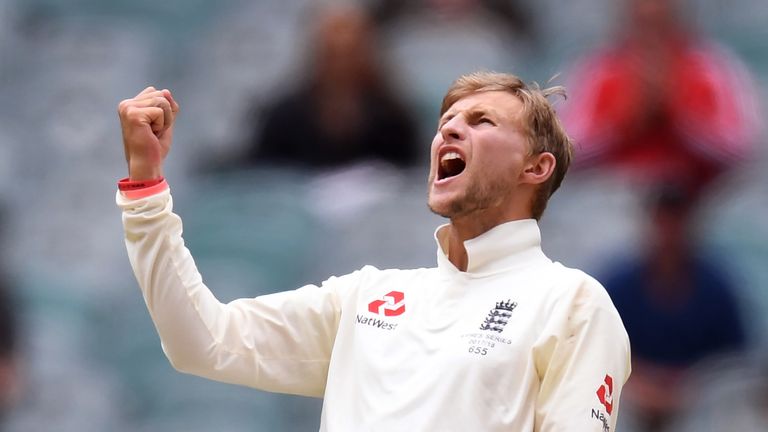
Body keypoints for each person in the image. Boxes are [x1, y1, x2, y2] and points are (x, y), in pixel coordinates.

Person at [116, 71, 631, 431]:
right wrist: (146, 187)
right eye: (447, 120)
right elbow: (202, 342)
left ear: (535, 168)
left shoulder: (572, 302)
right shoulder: (369, 296)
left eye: (481, 121)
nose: (449, 129)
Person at [561, 0, 761, 193]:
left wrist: (680, 117)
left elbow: (742, 150)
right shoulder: (600, 71)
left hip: (697, 195)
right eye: (644, 24)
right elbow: (564, 153)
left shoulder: (711, 69)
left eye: (660, 24)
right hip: (615, 194)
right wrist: (624, 124)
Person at [601, 180, 746, 431]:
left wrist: (687, 388)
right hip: (631, 397)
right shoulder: (619, 283)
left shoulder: (715, 286)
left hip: (699, 403)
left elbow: (734, 359)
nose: (669, 233)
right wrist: (642, 384)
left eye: (676, 222)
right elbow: (597, 348)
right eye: (662, 222)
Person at [245, 5, 418, 169]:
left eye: (349, 54)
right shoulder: (283, 119)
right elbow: (261, 174)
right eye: (333, 55)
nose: (341, 66)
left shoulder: (393, 120)